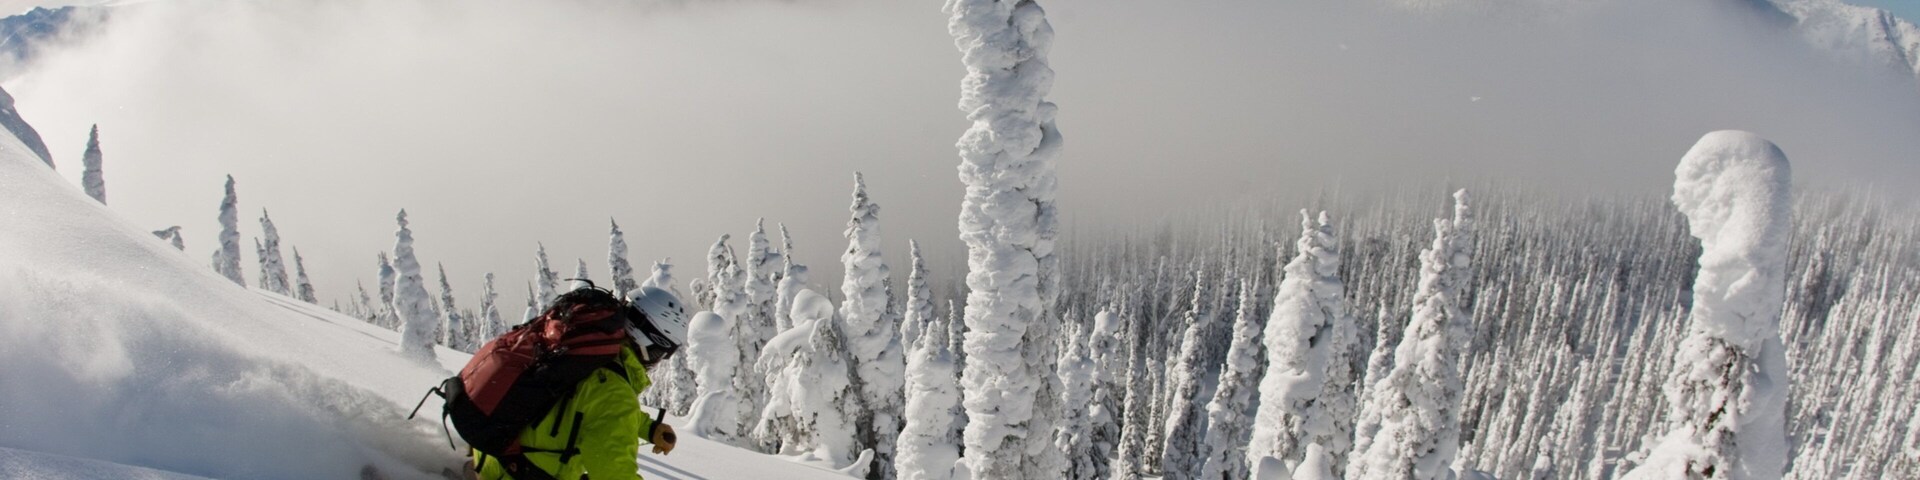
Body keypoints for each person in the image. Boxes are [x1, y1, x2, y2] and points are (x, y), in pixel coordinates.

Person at [470, 286, 690, 480]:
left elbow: (594, 409)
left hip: (495, 457)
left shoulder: (585, 354)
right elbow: (614, 474)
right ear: (648, 341)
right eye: (662, 352)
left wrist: (649, 428)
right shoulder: (612, 389)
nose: (659, 361)